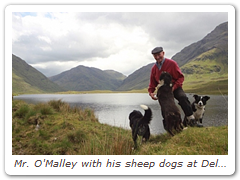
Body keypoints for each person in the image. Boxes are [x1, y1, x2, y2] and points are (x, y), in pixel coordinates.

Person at [148, 47, 199, 127]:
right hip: (163, 90)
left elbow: (181, 77)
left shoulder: (172, 63)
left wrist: (174, 88)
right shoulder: (154, 69)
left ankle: (191, 120)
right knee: (165, 107)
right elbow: (152, 82)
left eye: (159, 55)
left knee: (183, 98)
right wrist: (151, 92)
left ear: (163, 53)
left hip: (174, 87)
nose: (157, 57)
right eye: (155, 55)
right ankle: (169, 125)